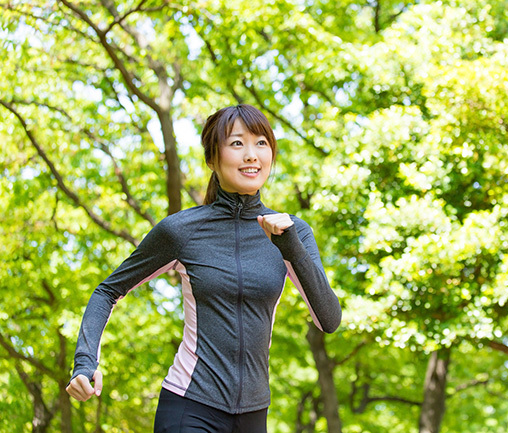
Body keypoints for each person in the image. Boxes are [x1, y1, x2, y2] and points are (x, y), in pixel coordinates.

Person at [66, 104, 342, 432]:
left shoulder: (291, 232)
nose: (251, 155)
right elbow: (107, 290)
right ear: (213, 159)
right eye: (237, 143)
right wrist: (85, 363)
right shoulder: (182, 231)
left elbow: (329, 319)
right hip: (190, 405)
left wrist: (291, 249)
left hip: (255, 414)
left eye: (261, 143)